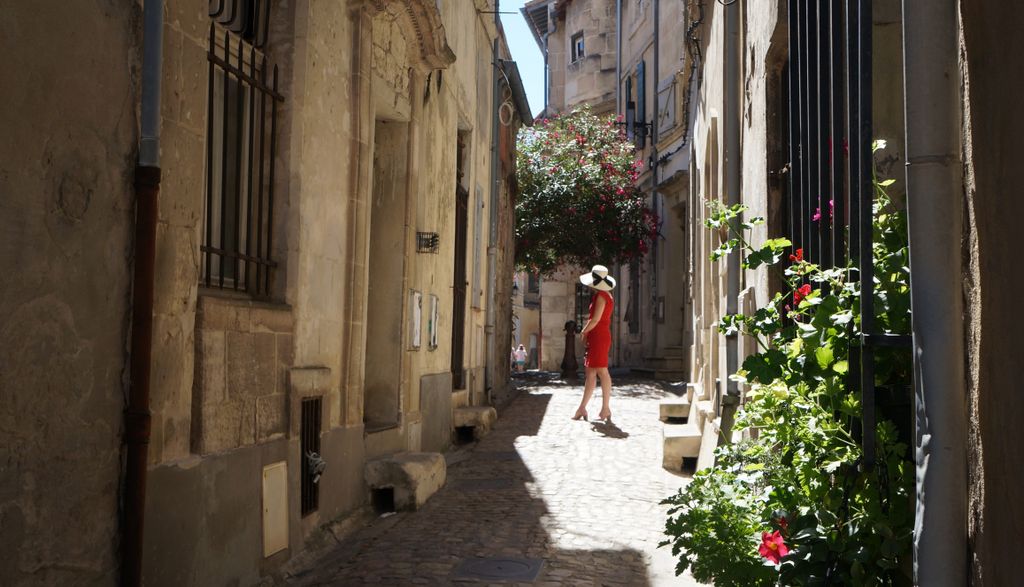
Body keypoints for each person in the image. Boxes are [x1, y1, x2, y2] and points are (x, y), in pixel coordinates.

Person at [573, 264, 615, 422]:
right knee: (591, 372)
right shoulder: (606, 295)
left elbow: (595, 319)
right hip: (598, 335)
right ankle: (582, 408)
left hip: (599, 336)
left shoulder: (601, 296)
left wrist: (584, 331)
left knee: (602, 371)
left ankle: (605, 409)